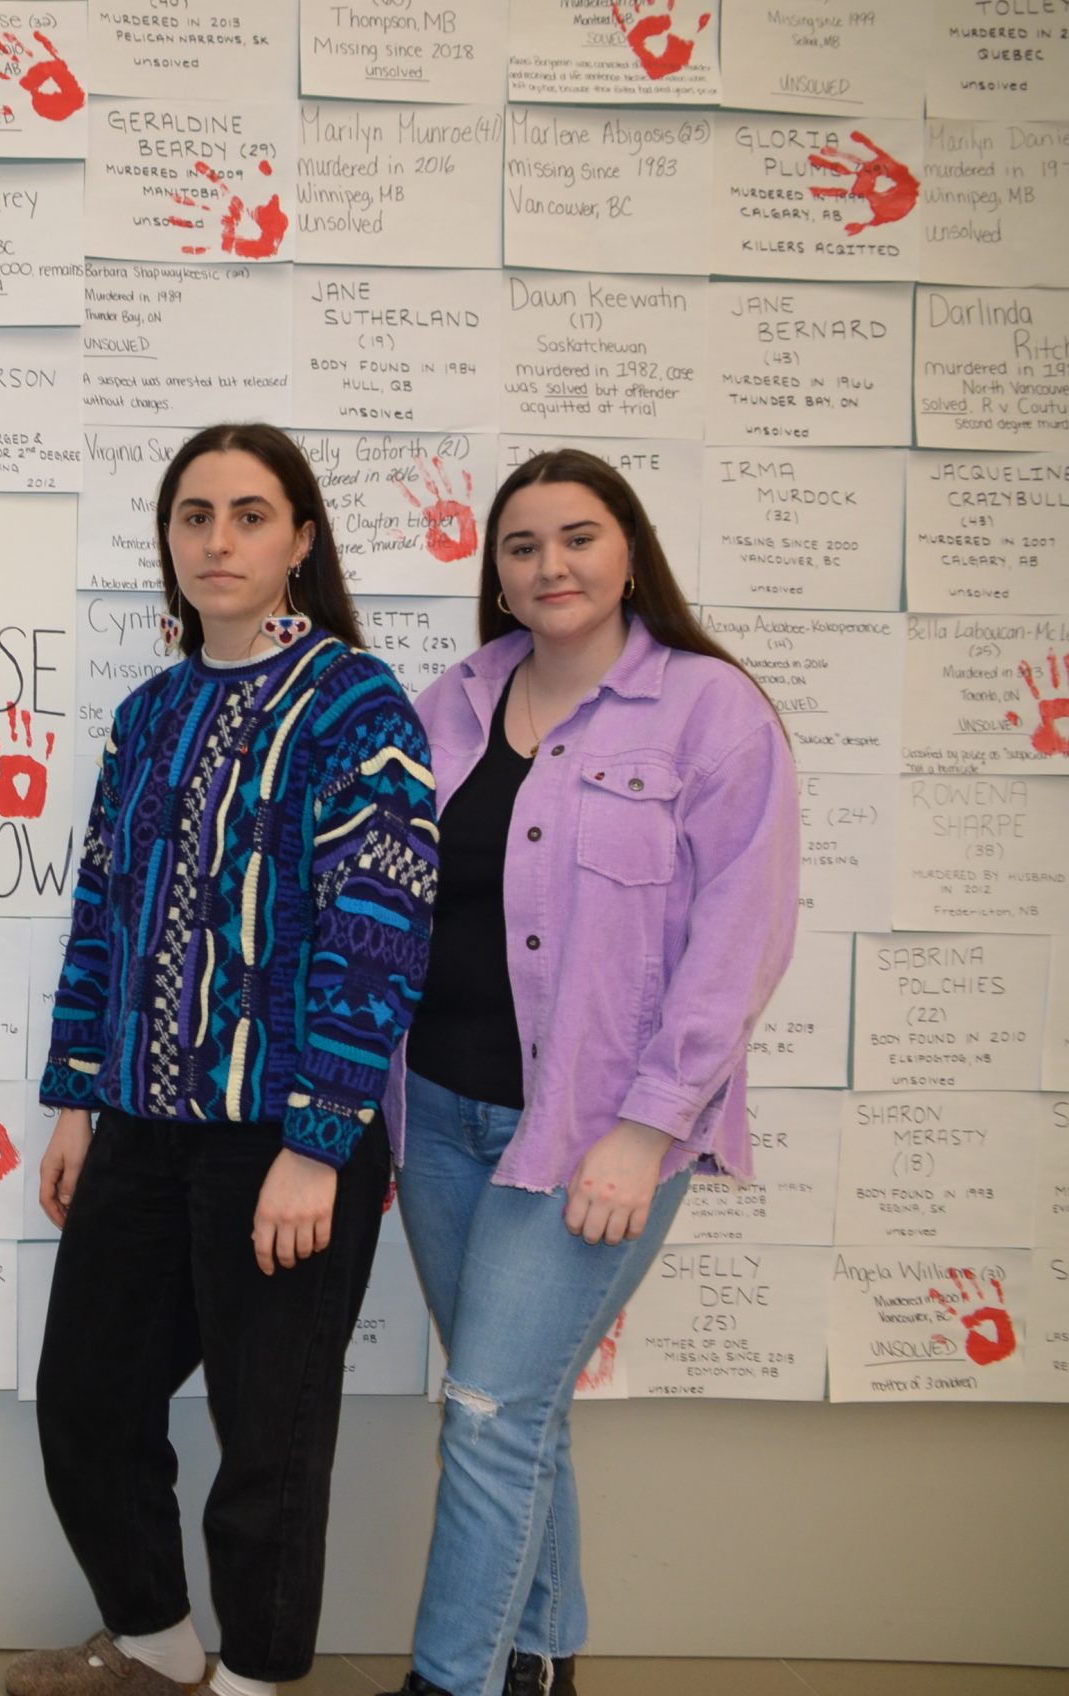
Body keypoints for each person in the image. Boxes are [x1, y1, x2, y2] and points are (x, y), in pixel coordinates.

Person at [15, 423, 441, 1696]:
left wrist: (319, 1145)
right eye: (193, 515)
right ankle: (155, 1645)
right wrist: (79, 1102)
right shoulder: (148, 713)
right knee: (86, 1399)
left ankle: (254, 1681)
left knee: (268, 1438)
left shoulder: (355, 704)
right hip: (142, 1128)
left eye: (250, 515)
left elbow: (385, 924)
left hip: (287, 1134)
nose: (217, 540)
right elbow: (102, 911)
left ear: (301, 540)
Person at [383, 450, 798, 1696]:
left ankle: (448, 1681)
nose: (548, 564)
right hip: (438, 1125)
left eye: (576, 536)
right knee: (513, 1411)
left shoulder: (711, 711)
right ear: (495, 575)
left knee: (490, 1417)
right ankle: (541, 1660)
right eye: (520, 545)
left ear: (628, 551)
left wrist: (645, 1129)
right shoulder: (447, 703)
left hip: (590, 1134)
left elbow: (740, 941)